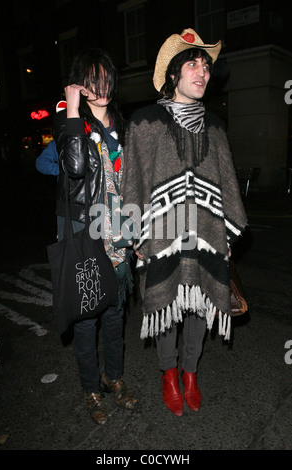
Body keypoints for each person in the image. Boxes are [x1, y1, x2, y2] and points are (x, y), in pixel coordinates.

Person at [122, 29, 247, 416]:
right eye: (192, 64)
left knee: (198, 303)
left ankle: (190, 371)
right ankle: (168, 373)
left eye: (206, 66)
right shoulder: (145, 122)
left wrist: (225, 233)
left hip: (205, 233)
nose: (202, 72)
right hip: (161, 233)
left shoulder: (216, 126)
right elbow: (133, 183)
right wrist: (134, 235)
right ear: (173, 74)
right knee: (166, 303)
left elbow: (225, 184)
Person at [53, 47, 137, 425]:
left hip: (118, 232)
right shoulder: (70, 121)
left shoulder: (120, 123)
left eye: (104, 78)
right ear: (80, 84)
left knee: (116, 315)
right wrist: (71, 110)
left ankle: (113, 378)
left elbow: (129, 182)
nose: (99, 87)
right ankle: (90, 388)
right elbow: (73, 167)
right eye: (91, 80)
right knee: (87, 321)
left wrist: (136, 232)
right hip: (87, 234)